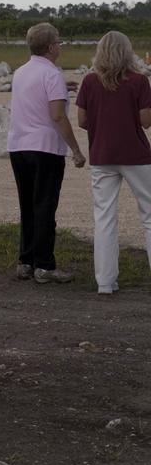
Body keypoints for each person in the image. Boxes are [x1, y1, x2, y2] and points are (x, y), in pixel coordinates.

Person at [8, 23, 86, 284]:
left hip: (18, 146)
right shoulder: (52, 75)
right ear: (52, 47)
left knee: (27, 206)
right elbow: (57, 116)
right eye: (59, 42)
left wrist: (62, 87)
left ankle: (25, 262)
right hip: (45, 149)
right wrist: (75, 149)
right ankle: (45, 266)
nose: (60, 46)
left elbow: (36, 95)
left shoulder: (20, 72)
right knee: (45, 206)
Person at [75, 31, 151, 294]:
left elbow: (82, 121)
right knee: (150, 216)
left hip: (102, 155)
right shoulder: (139, 81)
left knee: (105, 217)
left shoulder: (89, 82)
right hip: (137, 155)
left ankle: (105, 282)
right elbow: (145, 121)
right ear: (127, 52)